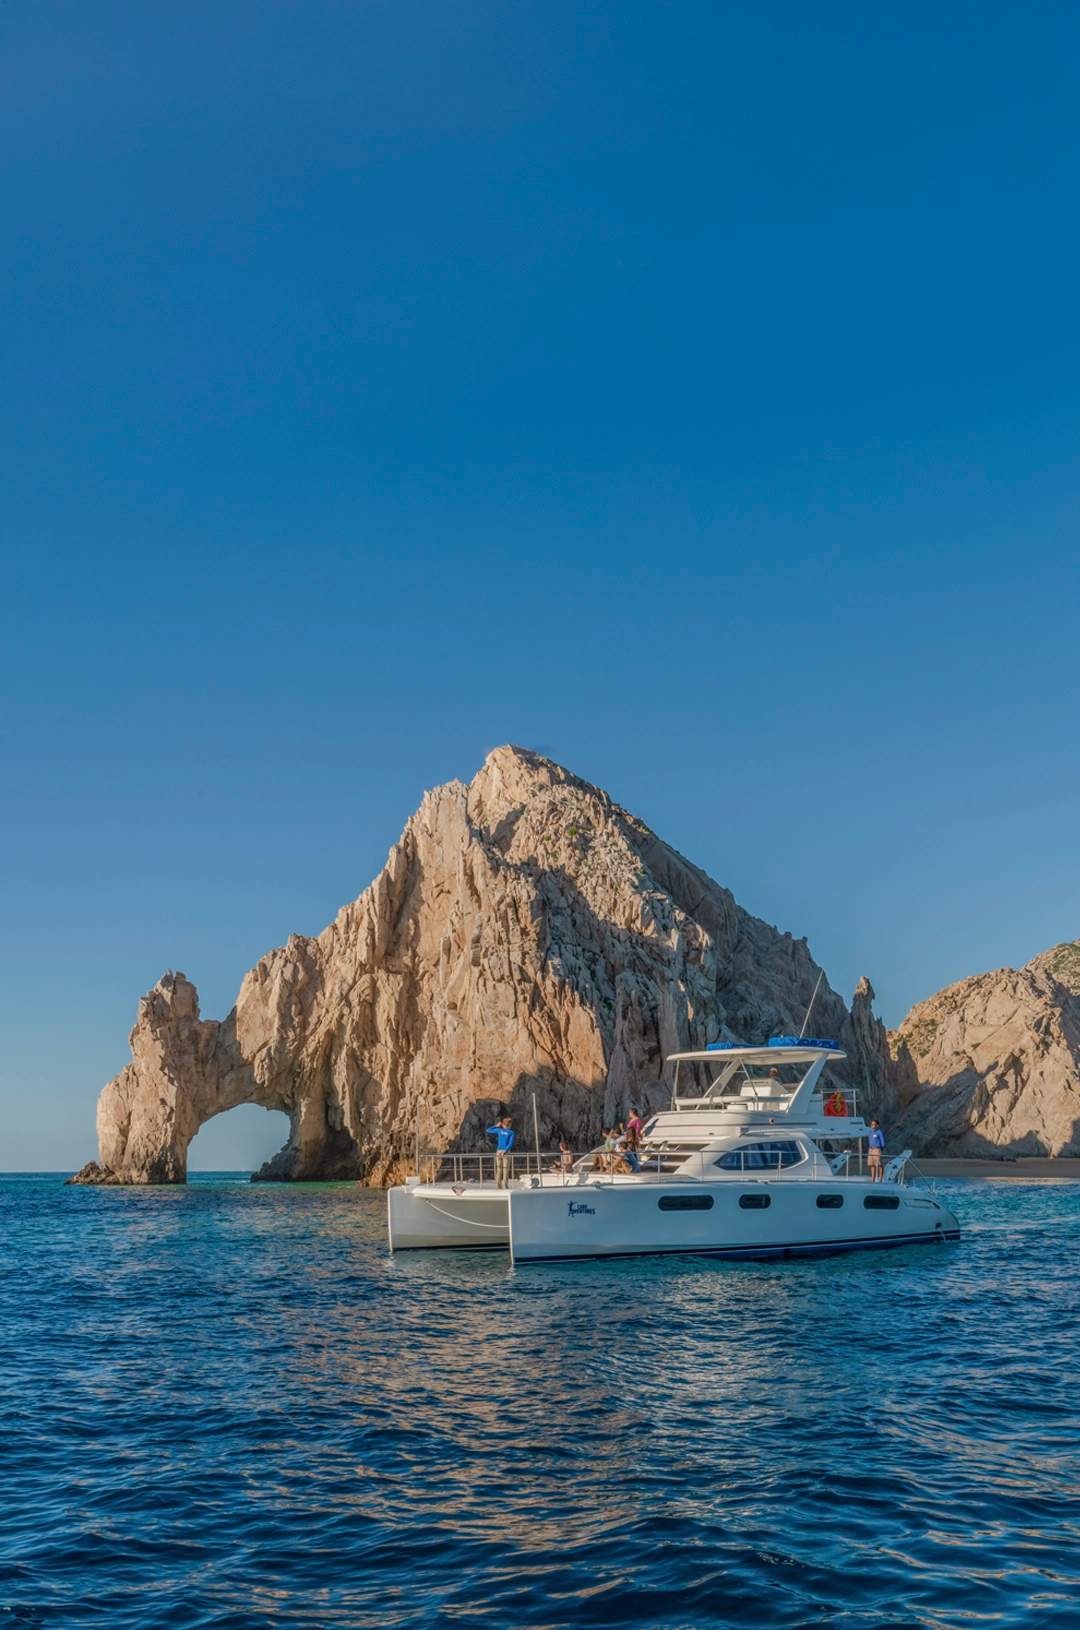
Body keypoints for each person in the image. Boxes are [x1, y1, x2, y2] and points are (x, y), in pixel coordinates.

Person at [486, 1115, 516, 1188]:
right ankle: (504, 1185)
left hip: (499, 1151)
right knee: (505, 1169)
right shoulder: (511, 1132)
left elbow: (488, 1130)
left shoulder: (500, 1130)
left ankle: (499, 1185)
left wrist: (496, 1126)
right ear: (509, 1124)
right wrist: (505, 1150)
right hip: (505, 1151)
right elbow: (510, 1143)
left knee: (500, 1169)